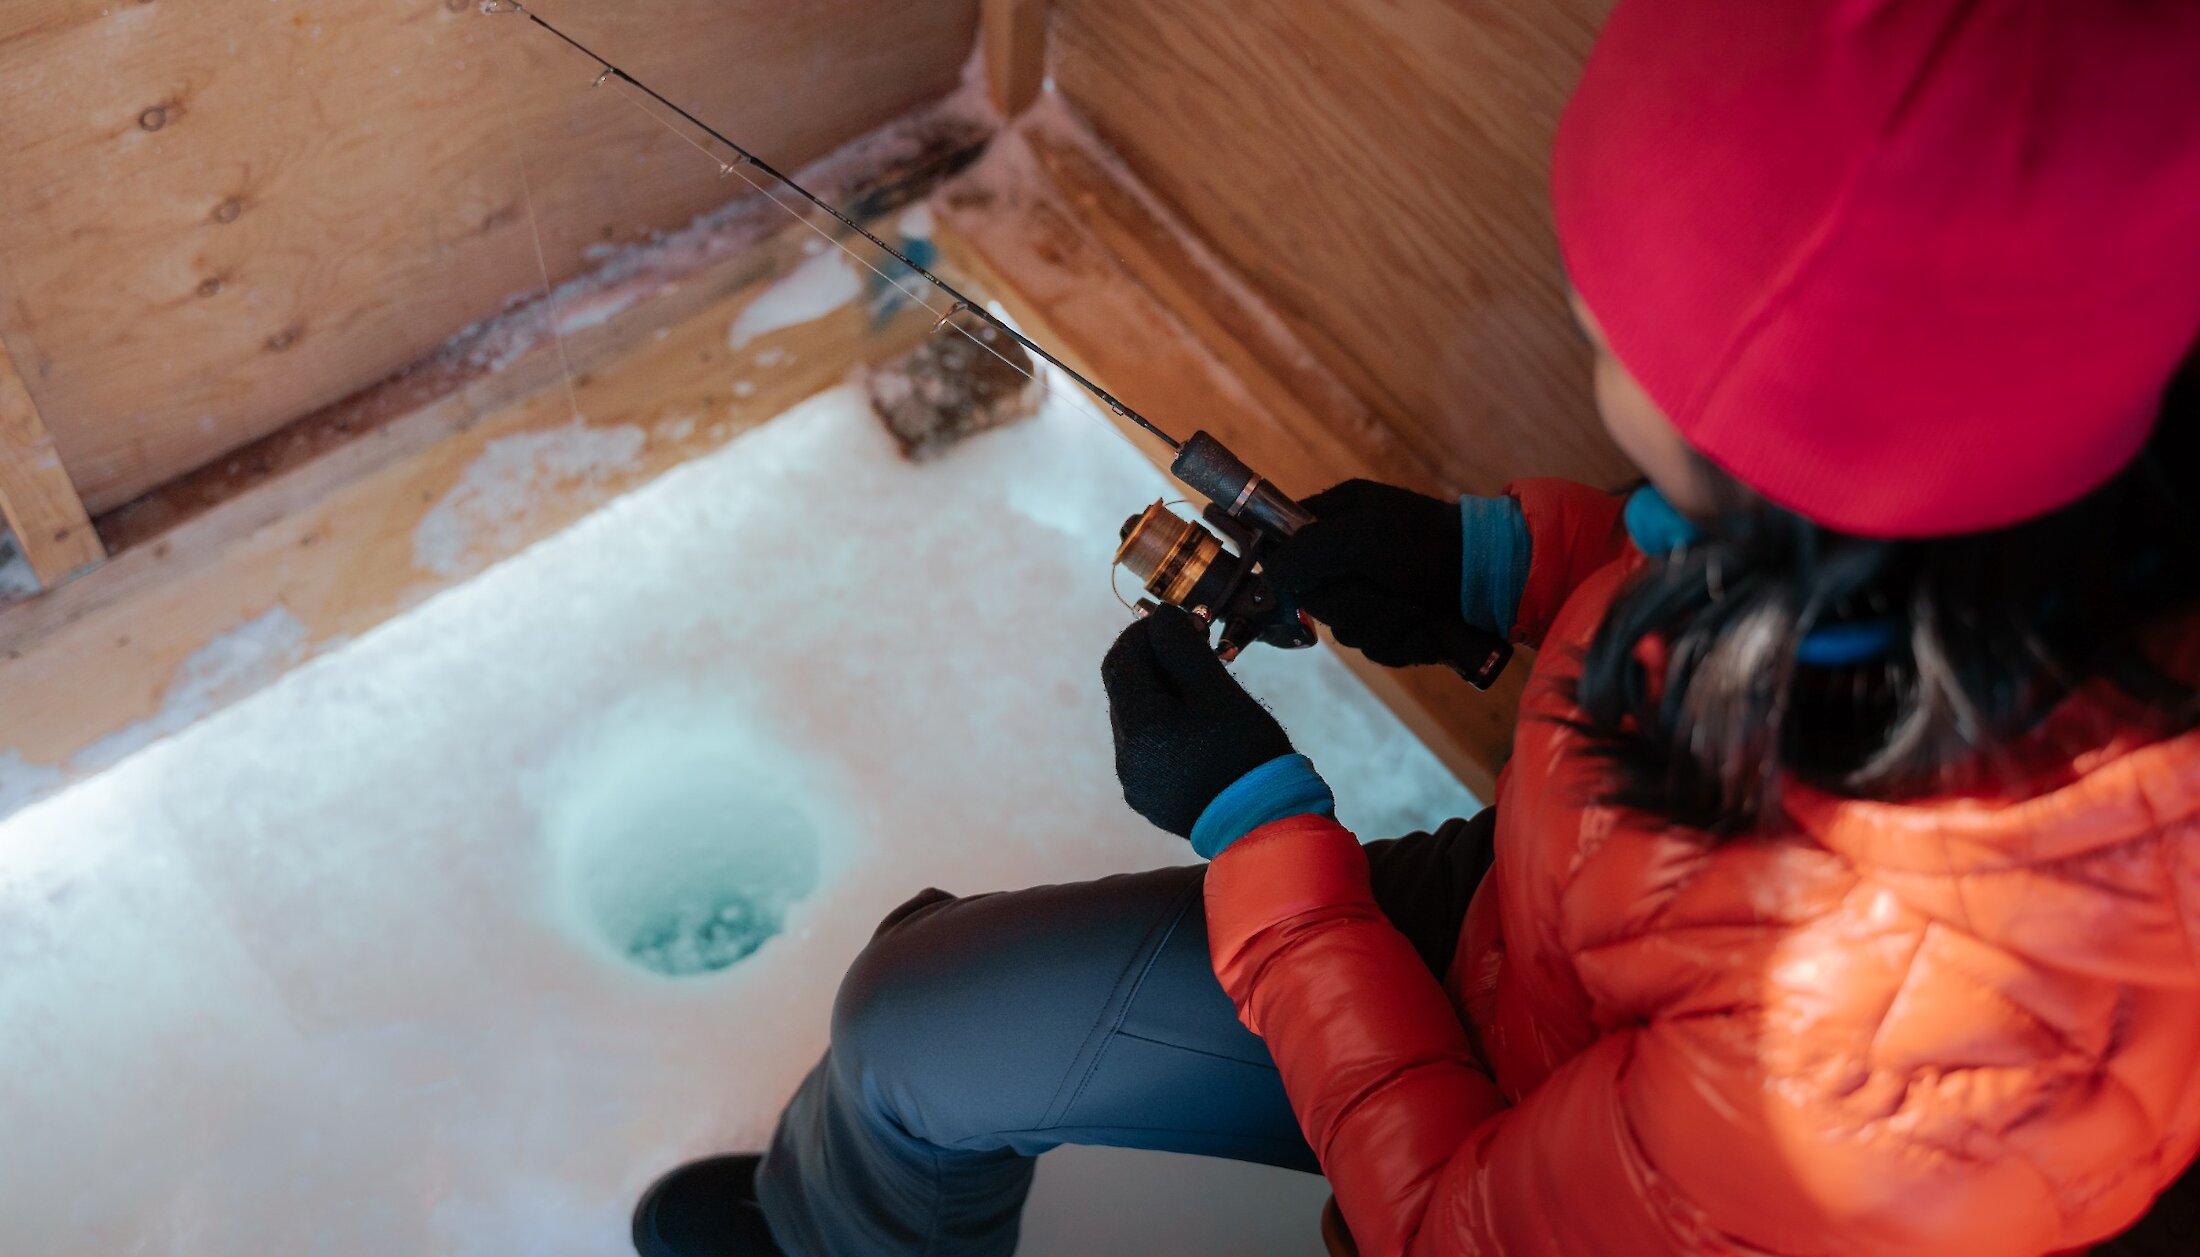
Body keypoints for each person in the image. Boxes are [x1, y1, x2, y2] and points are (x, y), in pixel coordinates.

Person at [631, 1, 2200, 1253]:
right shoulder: (2025, 504)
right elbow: (1715, 570)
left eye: (1605, 332)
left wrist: (1259, 829)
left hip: (1569, 1139)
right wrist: (1483, 561)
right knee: (912, 1012)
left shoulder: (1896, 1056)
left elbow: (1447, 1222)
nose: (1583, 336)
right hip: (1547, 914)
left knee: (923, 1023)